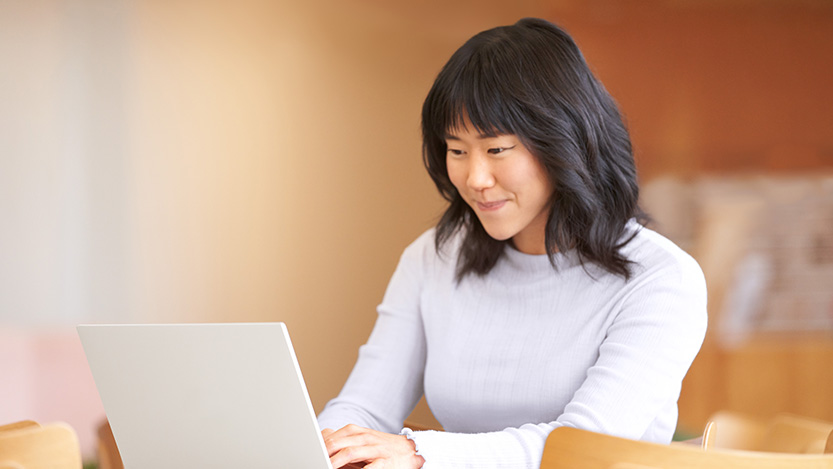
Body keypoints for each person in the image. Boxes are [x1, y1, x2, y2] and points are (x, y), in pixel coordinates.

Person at [317, 17, 707, 469]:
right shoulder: (433, 258)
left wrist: (419, 452)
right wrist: (327, 446)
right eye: (457, 151)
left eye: (496, 149)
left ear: (565, 142)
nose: (475, 179)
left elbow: (582, 449)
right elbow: (363, 406)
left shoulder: (660, 279)